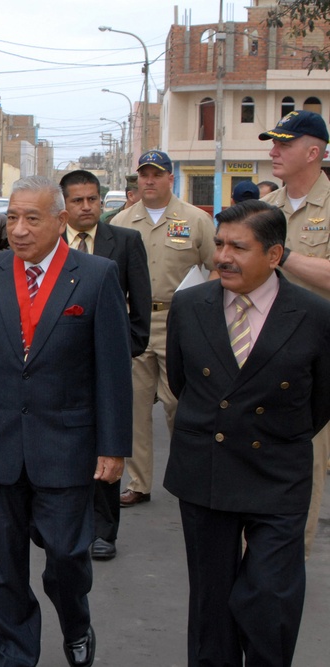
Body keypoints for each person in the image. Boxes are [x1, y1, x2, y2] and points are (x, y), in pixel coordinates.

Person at [0, 175, 132, 667]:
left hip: (67, 445)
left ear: (60, 220)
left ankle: (75, 620)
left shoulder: (95, 275)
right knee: (1, 568)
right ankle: (13, 653)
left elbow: (113, 371)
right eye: (12, 219)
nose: (20, 230)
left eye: (32, 218)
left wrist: (114, 447)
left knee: (68, 559)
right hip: (1, 442)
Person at [165, 199, 330, 666]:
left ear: (274, 255)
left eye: (239, 247)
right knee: (211, 604)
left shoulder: (314, 315)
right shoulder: (190, 305)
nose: (223, 257)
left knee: (270, 598)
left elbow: (320, 401)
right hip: (206, 470)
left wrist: (274, 433)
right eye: (219, 244)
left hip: (277, 472)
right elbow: (183, 382)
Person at [111, 150, 215, 508]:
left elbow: (216, 266)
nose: (150, 180)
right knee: (136, 408)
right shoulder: (122, 222)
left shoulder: (194, 220)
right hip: (136, 323)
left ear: (171, 177)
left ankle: (191, 474)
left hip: (180, 322)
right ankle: (139, 482)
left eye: (157, 174)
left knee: (179, 405)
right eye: (144, 174)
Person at [60, 170, 151, 561]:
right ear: (63, 207)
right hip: (57, 364)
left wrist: (117, 355)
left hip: (105, 367)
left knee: (106, 443)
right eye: (77, 200)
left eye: (92, 199)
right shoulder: (47, 243)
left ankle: (103, 531)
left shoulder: (125, 242)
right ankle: (63, 524)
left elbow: (140, 312)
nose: (86, 207)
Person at [258, 109, 330, 556]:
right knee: (262, 453)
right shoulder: (268, 211)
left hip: (317, 353)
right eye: (273, 142)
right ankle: (259, 552)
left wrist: (280, 256)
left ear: (313, 152)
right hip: (264, 348)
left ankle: (289, 559)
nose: (273, 151)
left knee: (307, 459)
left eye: (283, 144)